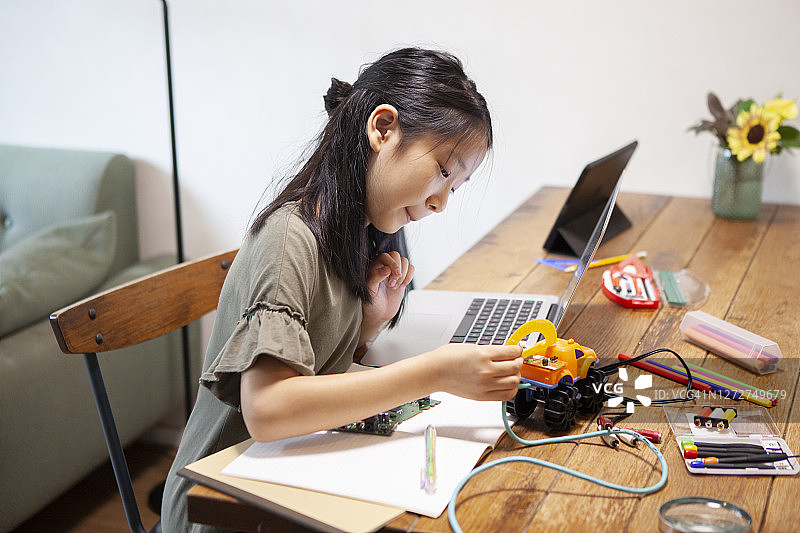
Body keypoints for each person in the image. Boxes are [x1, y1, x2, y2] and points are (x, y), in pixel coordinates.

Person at [161, 47, 523, 532]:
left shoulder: (355, 229)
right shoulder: (290, 238)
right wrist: (434, 372)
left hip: (285, 472)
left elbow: (312, 365)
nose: (440, 202)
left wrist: (367, 325)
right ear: (382, 128)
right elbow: (268, 409)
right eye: (442, 170)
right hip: (222, 507)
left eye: (453, 188)